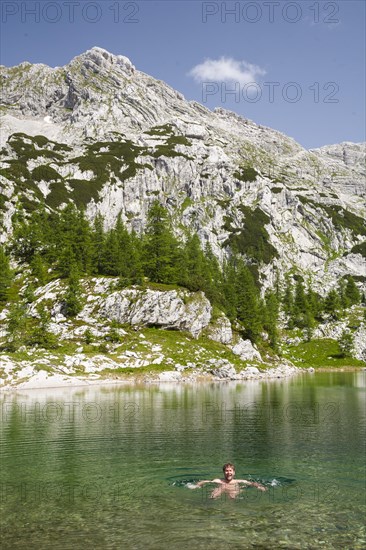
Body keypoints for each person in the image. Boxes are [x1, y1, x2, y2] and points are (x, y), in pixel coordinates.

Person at [192, 463, 267, 499]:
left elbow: (252, 483)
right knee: (212, 497)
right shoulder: (218, 481)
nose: (228, 473)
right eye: (226, 471)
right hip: (221, 487)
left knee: (232, 498)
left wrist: (260, 486)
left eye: (230, 471)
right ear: (224, 472)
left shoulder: (239, 481)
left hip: (233, 489)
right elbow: (205, 481)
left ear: (234, 472)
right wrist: (197, 485)